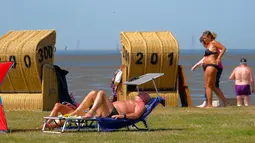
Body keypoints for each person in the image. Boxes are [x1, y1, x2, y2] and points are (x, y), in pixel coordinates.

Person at [191, 33, 225, 108]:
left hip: (211, 65)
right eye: (203, 39)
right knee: (210, 86)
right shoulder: (209, 45)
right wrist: (197, 64)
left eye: (205, 38)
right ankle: (224, 102)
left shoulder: (213, 43)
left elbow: (223, 48)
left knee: (208, 86)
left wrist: (219, 58)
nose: (204, 40)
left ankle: (209, 105)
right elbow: (206, 57)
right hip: (207, 66)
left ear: (209, 37)